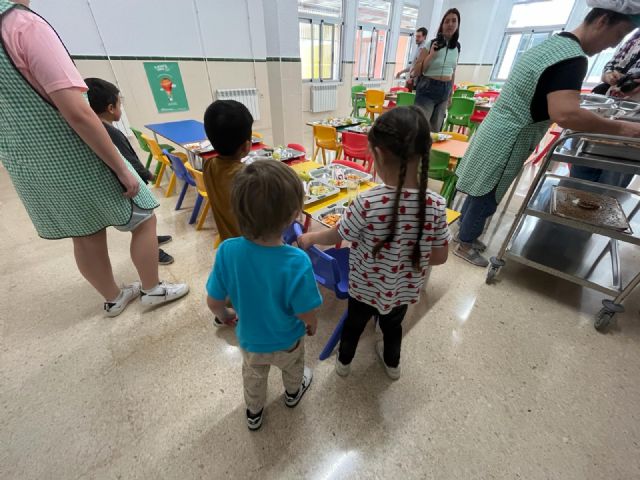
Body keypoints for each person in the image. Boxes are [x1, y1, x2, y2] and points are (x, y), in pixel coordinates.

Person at [0, 0, 188, 316]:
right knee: (144, 217)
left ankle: (114, 298)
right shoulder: (24, 26)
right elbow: (78, 112)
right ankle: (152, 290)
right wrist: (122, 168)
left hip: (29, 166)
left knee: (84, 233)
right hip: (75, 157)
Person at [453, 7, 640, 268]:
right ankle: (465, 242)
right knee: (487, 193)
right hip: (511, 138)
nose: (613, 45)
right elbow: (566, 114)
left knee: (479, 187)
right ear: (603, 20)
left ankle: (464, 233)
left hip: (496, 130)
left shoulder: (553, 44)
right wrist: (622, 128)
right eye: (618, 35)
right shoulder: (572, 58)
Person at [299, 107, 450, 380]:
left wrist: (310, 237)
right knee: (393, 328)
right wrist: (407, 251)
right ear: (425, 153)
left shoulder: (367, 202)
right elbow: (440, 257)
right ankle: (393, 366)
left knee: (354, 326)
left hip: (363, 287)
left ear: (377, 154)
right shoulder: (437, 206)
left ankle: (344, 363)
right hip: (402, 289)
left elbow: (338, 235)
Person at [206, 160, 321, 431]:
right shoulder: (297, 261)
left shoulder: (227, 251)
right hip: (287, 340)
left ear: (237, 210)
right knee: (293, 369)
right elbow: (305, 310)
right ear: (294, 214)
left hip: (250, 340)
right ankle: (293, 394)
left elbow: (214, 301)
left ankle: (254, 411)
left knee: (254, 375)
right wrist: (312, 324)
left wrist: (223, 316)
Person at [84, 77, 175, 265]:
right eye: (119, 104)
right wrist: (146, 174)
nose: (120, 108)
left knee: (143, 222)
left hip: (119, 186)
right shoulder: (112, 133)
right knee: (143, 223)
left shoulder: (97, 130)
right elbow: (129, 160)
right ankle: (152, 250)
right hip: (129, 188)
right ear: (111, 108)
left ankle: (151, 240)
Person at [570, 29, 640, 188]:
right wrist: (610, 75)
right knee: (581, 168)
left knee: (610, 181)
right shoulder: (635, 35)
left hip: (633, 123)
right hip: (609, 109)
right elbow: (610, 66)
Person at [202, 100, 253, 244]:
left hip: (228, 244)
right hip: (254, 249)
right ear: (246, 146)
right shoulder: (248, 178)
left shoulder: (208, 165)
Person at [412, 9, 461, 132]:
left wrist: (451, 95)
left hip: (445, 90)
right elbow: (416, 71)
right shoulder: (431, 44)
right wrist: (431, 55)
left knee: (435, 132)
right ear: (442, 25)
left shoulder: (457, 47)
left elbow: (453, 71)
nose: (450, 24)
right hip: (428, 88)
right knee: (420, 130)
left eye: (454, 21)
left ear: (458, 24)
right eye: (447, 21)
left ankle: (431, 151)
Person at [395, 26, 428, 91]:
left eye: (419, 36)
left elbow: (420, 67)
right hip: (412, 80)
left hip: (417, 82)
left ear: (424, 37)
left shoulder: (423, 49)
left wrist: (412, 77)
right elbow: (413, 65)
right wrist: (401, 72)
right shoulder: (419, 47)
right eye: (416, 36)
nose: (416, 38)